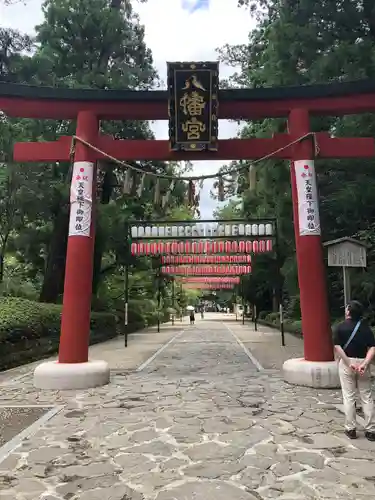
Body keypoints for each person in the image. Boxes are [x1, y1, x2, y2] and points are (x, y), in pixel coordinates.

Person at [333, 300, 375, 441]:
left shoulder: (340, 327)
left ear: (348, 311)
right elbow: (372, 348)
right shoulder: (366, 328)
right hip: (363, 363)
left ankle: (350, 429)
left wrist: (348, 362)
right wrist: (365, 363)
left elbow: (337, 347)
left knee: (349, 396)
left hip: (347, 363)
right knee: (366, 396)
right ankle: (371, 430)